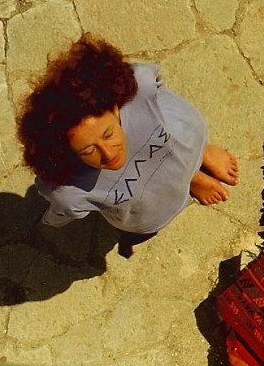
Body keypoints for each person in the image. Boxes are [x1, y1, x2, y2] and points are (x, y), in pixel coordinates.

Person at [17, 34, 239, 258]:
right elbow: (61, 205)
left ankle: (198, 158)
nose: (108, 153)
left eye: (108, 134)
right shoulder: (69, 192)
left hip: (179, 142)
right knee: (170, 163)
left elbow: (148, 75)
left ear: (115, 108)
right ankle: (192, 171)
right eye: (88, 150)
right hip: (151, 209)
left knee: (182, 145)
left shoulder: (139, 91)